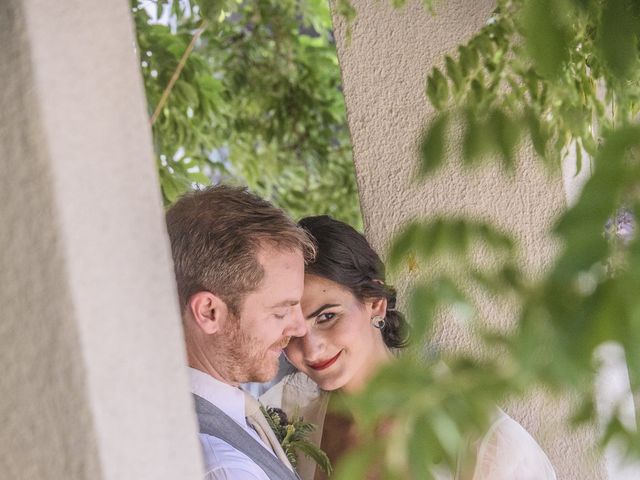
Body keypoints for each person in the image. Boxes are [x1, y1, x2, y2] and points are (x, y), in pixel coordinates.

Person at [262, 215, 557, 480]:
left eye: (327, 317)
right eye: (291, 330)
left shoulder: (489, 446)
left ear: (375, 303)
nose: (311, 350)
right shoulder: (284, 416)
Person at [165, 185, 316, 480]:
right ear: (209, 312)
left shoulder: (223, 411)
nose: (299, 327)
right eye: (280, 311)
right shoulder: (225, 468)